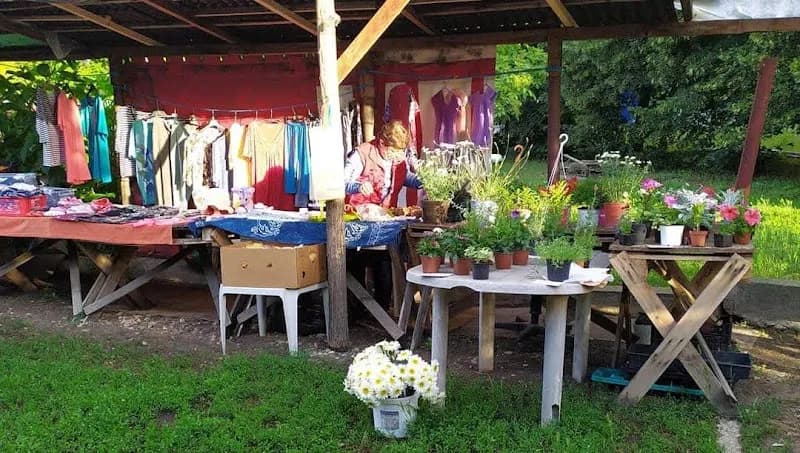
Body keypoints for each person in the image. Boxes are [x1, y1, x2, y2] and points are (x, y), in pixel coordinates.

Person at [344, 120, 421, 208]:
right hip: (359, 212)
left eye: (400, 152)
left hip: (387, 213)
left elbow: (404, 176)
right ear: (382, 143)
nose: (396, 156)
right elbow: (343, 183)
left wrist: (423, 181)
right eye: (392, 151)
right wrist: (359, 187)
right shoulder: (362, 154)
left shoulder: (398, 158)